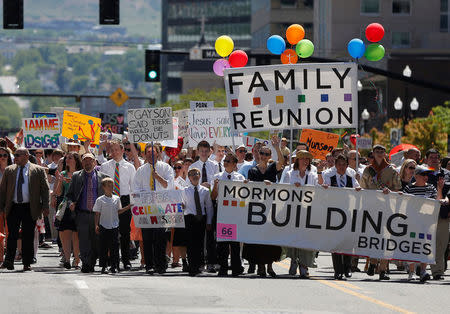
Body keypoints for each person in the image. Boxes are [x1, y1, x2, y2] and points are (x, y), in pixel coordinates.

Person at [0, 148, 50, 271]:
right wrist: (1, 208)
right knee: (12, 234)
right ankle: (9, 261)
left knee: (28, 235)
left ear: (26, 156)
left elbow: (45, 189)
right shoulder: (9, 170)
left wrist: (45, 206)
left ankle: (27, 262)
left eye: (17, 155)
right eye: (15, 155)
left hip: (30, 206)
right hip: (13, 206)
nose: (15, 157)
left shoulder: (37, 170)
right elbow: (3, 191)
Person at [243, 136, 284, 277]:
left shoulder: (273, 167)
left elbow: (281, 163)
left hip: (271, 207)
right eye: (262, 153)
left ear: (270, 156)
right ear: (258, 155)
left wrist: (277, 147)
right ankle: (260, 266)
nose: (264, 156)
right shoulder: (252, 170)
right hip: (257, 209)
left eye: (267, 154)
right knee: (258, 238)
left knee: (270, 238)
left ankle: (270, 266)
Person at [360, 144, 401, 280]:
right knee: (373, 237)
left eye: (382, 151)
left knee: (387, 239)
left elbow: (398, 189)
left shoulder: (391, 170)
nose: (379, 153)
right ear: (373, 153)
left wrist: (389, 192)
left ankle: (382, 269)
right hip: (372, 208)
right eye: (377, 151)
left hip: (388, 208)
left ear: (385, 154)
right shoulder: (367, 170)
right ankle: (372, 262)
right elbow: (363, 189)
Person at [133, 143, 174, 274]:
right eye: (148, 153)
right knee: (147, 237)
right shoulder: (141, 170)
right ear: (145, 155)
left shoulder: (166, 168)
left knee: (161, 236)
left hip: (161, 208)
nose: (150, 155)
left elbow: (170, 186)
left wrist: (158, 178)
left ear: (158, 153)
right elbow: (135, 189)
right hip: (146, 208)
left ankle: (160, 264)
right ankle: (149, 264)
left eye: (153, 153)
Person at [66, 153, 108, 273]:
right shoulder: (76, 176)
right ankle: (86, 263)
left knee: (96, 241)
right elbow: (69, 195)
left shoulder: (103, 177)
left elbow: (109, 194)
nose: (87, 163)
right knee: (84, 240)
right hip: (82, 214)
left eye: (90, 160)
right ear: (82, 162)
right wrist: (71, 203)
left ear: (95, 162)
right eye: (85, 160)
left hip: (97, 215)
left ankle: (93, 261)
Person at [99, 139, 136, 271]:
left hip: (125, 200)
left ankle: (126, 260)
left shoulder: (130, 167)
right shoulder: (105, 166)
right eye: (112, 150)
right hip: (110, 199)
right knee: (110, 231)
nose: (114, 152)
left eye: (117, 150)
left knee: (125, 232)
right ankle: (111, 260)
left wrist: (132, 204)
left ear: (122, 150)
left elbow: (133, 186)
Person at [403, 166, 444, 282]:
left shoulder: (431, 188)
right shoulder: (409, 188)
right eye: (423, 175)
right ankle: (411, 272)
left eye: (427, 175)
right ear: (416, 176)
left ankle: (423, 271)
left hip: (426, 224)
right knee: (412, 246)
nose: (426, 177)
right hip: (412, 223)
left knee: (425, 246)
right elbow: (405, 204)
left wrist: (439, 188)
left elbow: (437, 202)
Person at [323, 154, 360, 280]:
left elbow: (358, 188)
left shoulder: (351, 178)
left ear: (347, 166)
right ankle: (337, 270)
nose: (342, 167)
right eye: (339, 164)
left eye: (344, 165)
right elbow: (326, 187)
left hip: (348, 213)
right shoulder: (330, 176)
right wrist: (326, 188)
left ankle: (347, 267)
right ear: (335, 165)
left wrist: (359, 189)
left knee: (348, 241)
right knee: (336, 242)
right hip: (335, 213)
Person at [284, 150, 319, 279]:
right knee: (294, 237)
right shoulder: (289, 174)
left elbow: (317, 191)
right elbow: (282, 189)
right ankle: (294, 260)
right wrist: (293, 187)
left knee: (307, 238)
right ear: (297, 160)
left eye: (307, 159)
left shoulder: (313, 175)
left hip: (308, 211)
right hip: (293, 211)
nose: (305, 161)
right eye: (302, 158)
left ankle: (304, 265)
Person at [211, 153, 245, 277]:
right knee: (222, 243)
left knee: (235, 242)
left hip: (235, 213)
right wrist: (215, 186)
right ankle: (223, 268)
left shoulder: (240, 178)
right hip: (222, 212)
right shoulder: (217, 176)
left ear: (235, 164)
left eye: (229, 161)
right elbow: (213, 197)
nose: (225, 163)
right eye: (225, 161)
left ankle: (236, 267)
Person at [189, 140, 219, 273]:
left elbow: (218, 181)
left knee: (211, 233)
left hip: (211, 199)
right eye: (202, 151)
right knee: (199, 235)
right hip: (198, 202)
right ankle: (200, 262)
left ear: (210, 152)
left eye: (207, 151)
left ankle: (212, 261)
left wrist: (210, 186)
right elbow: (188, 185)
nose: (204, 153)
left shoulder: (215, 165)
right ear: (198, 151)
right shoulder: (193, 166)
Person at [51, 152, 82, 269]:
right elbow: (58, 193)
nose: (67, 160)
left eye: (70, 158)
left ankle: (77, 260)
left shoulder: (81, 174)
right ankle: (67, 260)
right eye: (66, 158)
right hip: (65, 206)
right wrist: (60, 180)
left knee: (76, 234)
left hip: (78, 206)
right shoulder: (63, 174)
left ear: (76, 160)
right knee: (64, 233)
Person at [94, 178, 131, 274]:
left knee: (114, 247)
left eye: (112, 186)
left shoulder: (117, 198)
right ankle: (104, 266)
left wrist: (127, 207)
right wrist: (96, 225)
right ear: (104, 187)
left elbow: (118, 211)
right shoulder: (100, 200)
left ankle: (114, 266)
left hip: (114, 226)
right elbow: (97, 213)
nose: (111, 188)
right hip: (103, 225)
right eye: (108, 186)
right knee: (104, 247)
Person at [422, 148, 450, 280]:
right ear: (426, 159)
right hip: (426, 214)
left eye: (436, 157)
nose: (434, 159)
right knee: (429, 242)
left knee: (442, 243)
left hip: (444, 214)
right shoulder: (422, 173)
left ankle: (438, 269)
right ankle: (436, 270)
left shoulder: (447, 174)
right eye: (431, 157)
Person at [182, 168, 214, 276]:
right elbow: (181, 204)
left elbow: (209, 207)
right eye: (191, 174)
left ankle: (199, 265)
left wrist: (209, 222)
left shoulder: (204, 191)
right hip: (189, 218)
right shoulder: (185, 190)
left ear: (199, 176)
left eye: (196, 174)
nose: (194, 176)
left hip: (201, 218)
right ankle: (192, 266)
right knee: (191, 244)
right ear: (189, 177)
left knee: (200, 243)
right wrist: (181, 206)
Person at [0, 146, 13, 264]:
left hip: (11, 205)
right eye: (0, 155)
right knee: (0, 234)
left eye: (5, 155)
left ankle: (8, 258)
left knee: (10, 233)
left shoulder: (13, 170)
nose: (3, 158)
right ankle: (0, 258)